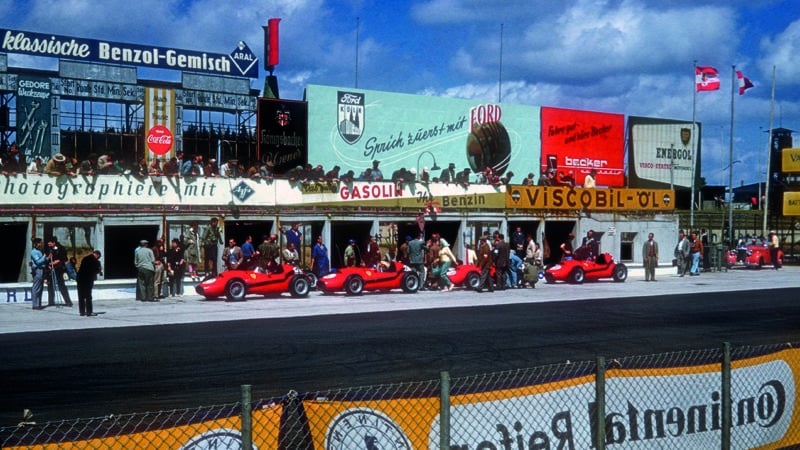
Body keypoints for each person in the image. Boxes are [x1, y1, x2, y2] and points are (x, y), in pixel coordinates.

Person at [45, 237, 73, 307]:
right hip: (50, 268)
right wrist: (48, 264)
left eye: (50, 243)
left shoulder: (61, 248)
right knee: (50, 285)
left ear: (54, 242)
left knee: (61, 284)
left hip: (59, 268)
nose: (49, 244)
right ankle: (51, 301)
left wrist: (57, 261)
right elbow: (46, 258)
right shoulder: (48, 249)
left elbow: (64, 258)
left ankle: (68, 301)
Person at [77, 250, 102, 316]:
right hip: (88, 280)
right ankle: (89, 312)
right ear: (97, 255)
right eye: (98, 257)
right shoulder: (95, 261)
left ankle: (82, 312)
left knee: (81, 296)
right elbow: (97, 271)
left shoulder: (85, 258)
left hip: (80, 279)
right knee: (88, 296)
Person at [30, 238, 48, 310]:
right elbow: (38, 262)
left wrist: (47, 258)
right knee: (36, 287)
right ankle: (35, 304)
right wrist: (44, 257)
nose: (41, 244)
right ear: (36, 244)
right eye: (40, 243)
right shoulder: (34, 252)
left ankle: (38, 303)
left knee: (40, 288)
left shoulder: (39, 251)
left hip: (42, 270)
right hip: (38, 270)